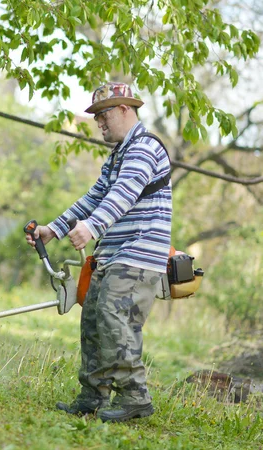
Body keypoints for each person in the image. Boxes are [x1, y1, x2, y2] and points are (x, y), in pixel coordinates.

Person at [26, 82, 172, 423]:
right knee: (92, 317)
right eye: (95, 117)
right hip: (113, 253)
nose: (99, 123)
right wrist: (54, 229)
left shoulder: (144, 148)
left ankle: (135, 397)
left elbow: (123, 193)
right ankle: (93, 396)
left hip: (138, 254)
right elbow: (94, 197)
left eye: (103, 115)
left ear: (125, 109)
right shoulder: (117, 155)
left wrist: (91, 227)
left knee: (112, 315)